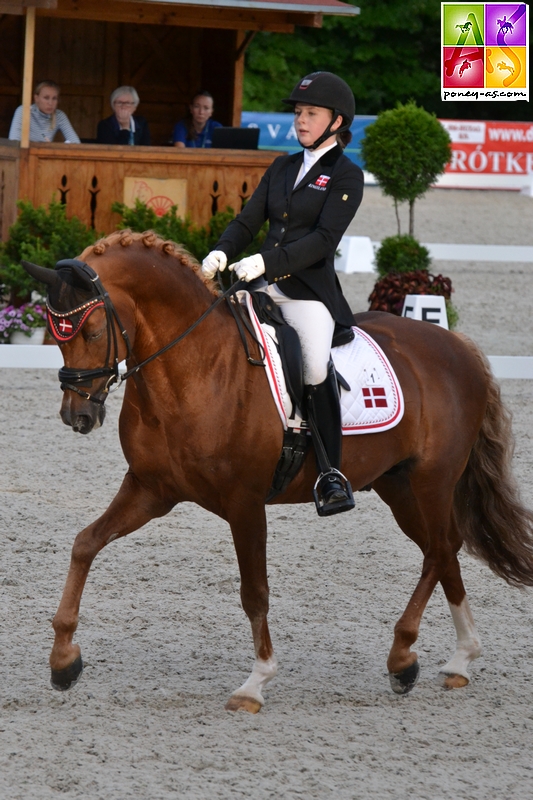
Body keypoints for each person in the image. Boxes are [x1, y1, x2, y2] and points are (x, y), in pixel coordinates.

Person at [201, 72, 364, 516]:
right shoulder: (282, 167)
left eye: (311, 113)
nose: (301, 120)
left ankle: (332, 471)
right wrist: (219, 252)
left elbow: (323, 240)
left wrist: (266, 263)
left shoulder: (347, 175)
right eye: (298, 113)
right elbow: (248, 220)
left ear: (337, 121)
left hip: (309, 293)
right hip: (258, 285)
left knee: (312, 362)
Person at [9, 80, 80, 144]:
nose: (50, 103)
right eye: (46, 98)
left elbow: (76, 143)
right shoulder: (24, 111)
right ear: (36, 98)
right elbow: (13, 141)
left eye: (54, 98)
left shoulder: (59, 115)